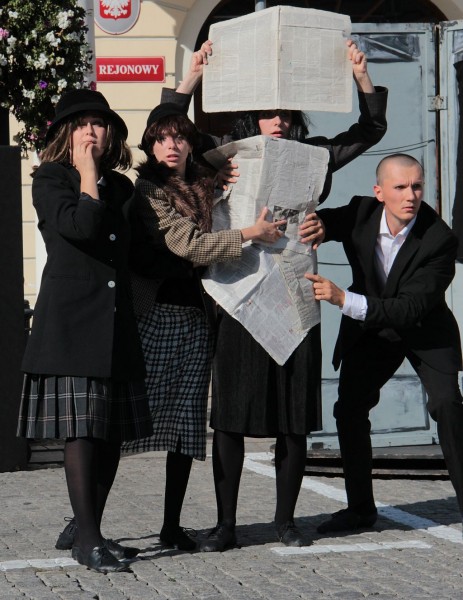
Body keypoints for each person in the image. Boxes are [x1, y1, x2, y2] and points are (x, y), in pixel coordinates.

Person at [159, 39, 388, 551]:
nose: (278, 121)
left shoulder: (315, 155)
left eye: (285, 113)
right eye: (268, 112)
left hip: (295, 292)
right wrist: (191, 77)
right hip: (237, 295)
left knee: (293, 417)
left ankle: (286, 522)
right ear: (252, 117)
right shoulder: (223, 154)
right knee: (231, 417)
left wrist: (361, 76)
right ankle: (226, 525)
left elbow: (370, 130)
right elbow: (168, 126)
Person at [120, 103, 285, 550]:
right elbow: (189, 245)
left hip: (197, 316)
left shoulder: (205, 183)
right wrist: (251, 234)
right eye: (161, 138)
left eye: (179, 137)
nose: (170, 145)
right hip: (154, 314)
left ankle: (171, 525)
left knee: (185, 427)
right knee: (125, 420)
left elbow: (231, 172)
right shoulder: (148, 190)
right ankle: (85, 520)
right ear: (150, 146)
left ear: (192, 143)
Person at [17, 89, 154, 574]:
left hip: (116, 322)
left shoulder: (121, 187)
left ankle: (86, 525)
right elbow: (80, 227)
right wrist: (87, 173)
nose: (91, 130)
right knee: (82, 431)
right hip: (73, 323)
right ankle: (88, 540)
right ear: (65, 133)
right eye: (80, 123)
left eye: (98, 122)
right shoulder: (50, 178)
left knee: (112, 433)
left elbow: (139, 249)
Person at [304, 153, 463, 533]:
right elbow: (325, 221)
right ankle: (360, 509)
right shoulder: (360, 212)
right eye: (400, 187)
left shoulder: (440, 239)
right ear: (379, 192)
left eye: (417, 186)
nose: (411, 195)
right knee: (349, 409)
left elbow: (409, 309)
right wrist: (317, 225)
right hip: (373, 331)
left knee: (447, 405)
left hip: (424, 329)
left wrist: (343, 299)